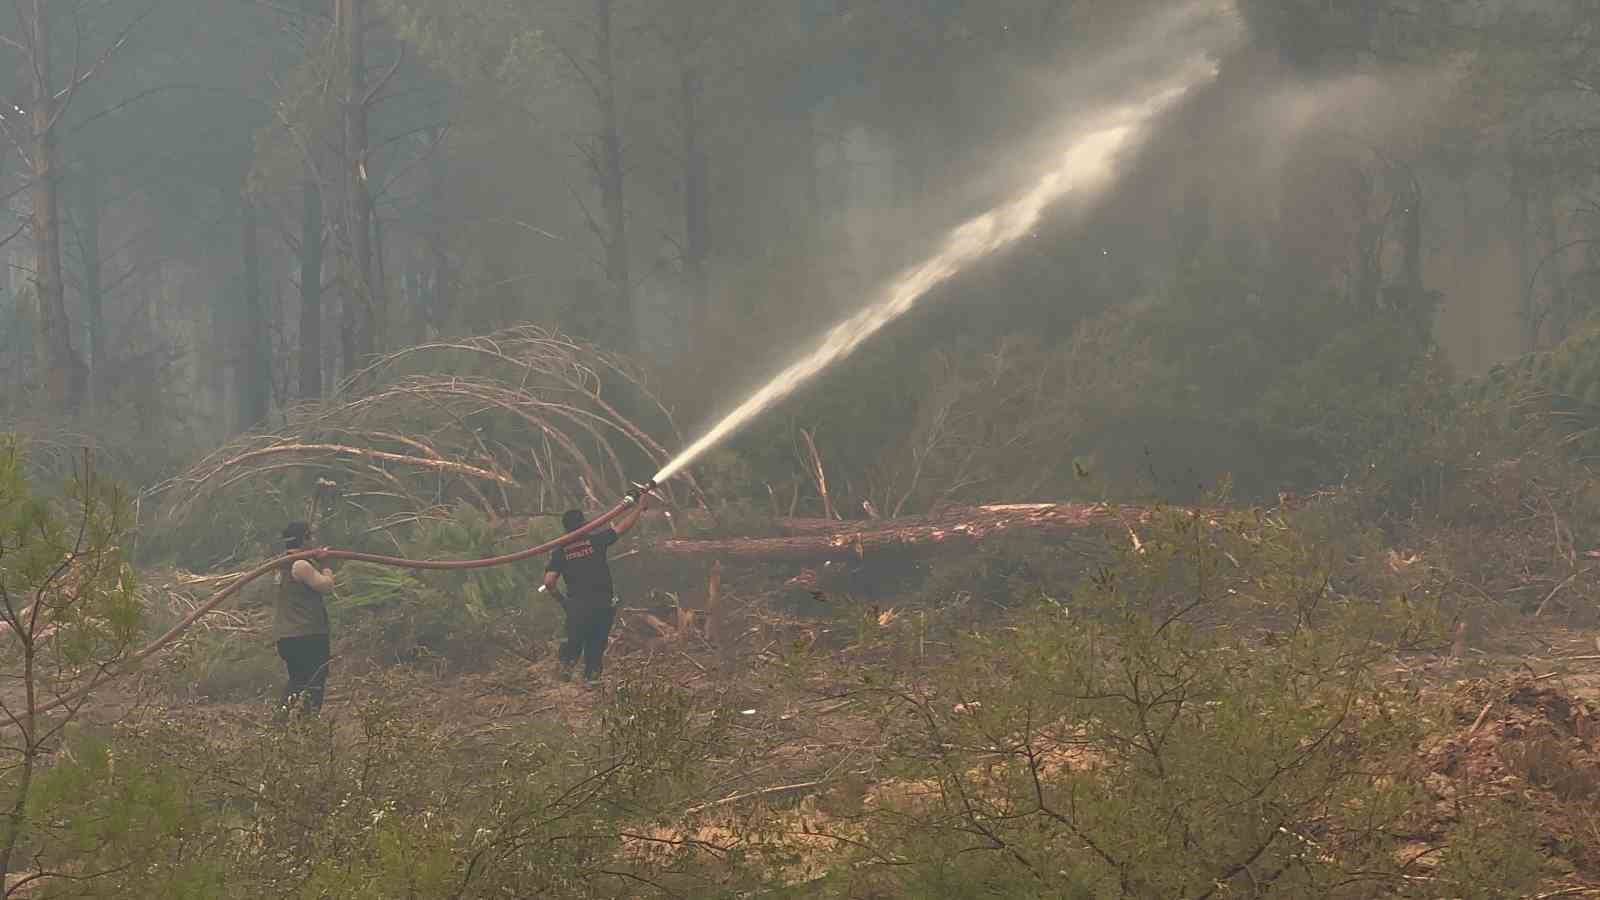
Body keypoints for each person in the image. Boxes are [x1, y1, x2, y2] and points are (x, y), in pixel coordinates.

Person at [542, 499, 646, 683]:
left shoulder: (560, 551)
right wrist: (639, 508)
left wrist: (563, 601)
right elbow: (622, 527)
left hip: (577, 605)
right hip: (602, 602)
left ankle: (564, 672)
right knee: (596, 644)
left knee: (574, 640)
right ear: (583, 524)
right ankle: (592, 680)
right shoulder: (596, 541)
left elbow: (549, 581)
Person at [275, 521, 335, 720]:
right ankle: (306, 727)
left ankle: (281, 726)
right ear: (305, 539)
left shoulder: (281, 564)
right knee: (314, 682)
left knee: (298, 681)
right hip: (307, 635)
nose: (314, 541)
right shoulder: (300, 565)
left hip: (287, 636)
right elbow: (326, 586)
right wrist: (326, 565)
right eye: (311, 537)